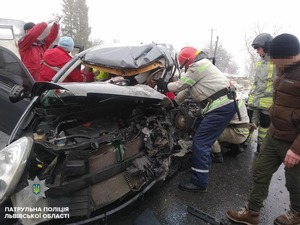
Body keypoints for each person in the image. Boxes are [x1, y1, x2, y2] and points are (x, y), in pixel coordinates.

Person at [226, 33, 300, 225]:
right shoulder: (283, 70)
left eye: (275, 58)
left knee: (295, 182)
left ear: (288, 55)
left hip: (294, 140)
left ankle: (297, 215)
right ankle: (251, 213)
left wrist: (297, 149)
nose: (272, 63)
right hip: (274, 134)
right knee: (260, 172)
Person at [158, 46, 237, 192]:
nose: (185, 68)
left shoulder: (198, 66)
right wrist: (173, 104)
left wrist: (164, 85)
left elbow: (179, 85)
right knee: (201, 136)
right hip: (224, 106)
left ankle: (199, 183)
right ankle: (205, 163)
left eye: (184, 66)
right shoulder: (203, 67)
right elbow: (186, 91)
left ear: (187, 61)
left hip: (219, 108)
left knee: (200, 142)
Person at [245, 33, 275, 153]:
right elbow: (256, 83)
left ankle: (261, 148)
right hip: (254, 101)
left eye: (258, 48)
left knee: (264, 128)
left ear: (267, 47)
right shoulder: (259, 63)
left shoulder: (277, 64)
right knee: (249, 123)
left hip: (267, 104)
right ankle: (244, 142)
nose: (257, 51)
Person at [18, 15, 61, 80]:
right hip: (29, 79)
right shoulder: (23, 44)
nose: (37, 33)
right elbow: (32, 34)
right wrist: (46, 22)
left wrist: (56, 24)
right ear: (26, 31)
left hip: (41, 78)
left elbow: (52, 36)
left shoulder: (41, 44)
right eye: (34, 29)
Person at [211, 98, 251, 163]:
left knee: (210, 132)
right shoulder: (236, 99)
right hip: (244, 131)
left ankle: (217, 155)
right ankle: (235, 147)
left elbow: (218, 122)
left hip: (238, 133)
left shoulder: (227, 104)